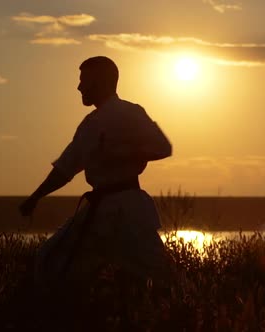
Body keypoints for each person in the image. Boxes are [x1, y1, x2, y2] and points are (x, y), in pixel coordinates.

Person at [18, 56, 173, 290]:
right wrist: (35, 197)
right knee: (50, 261)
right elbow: (65, 168)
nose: (79, 87)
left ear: (99, 82)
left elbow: (162, 147)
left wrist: (123, 153)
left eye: (84, 80)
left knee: (160, 277)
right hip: (99, 210)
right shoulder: (89, 124)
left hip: (129, 208)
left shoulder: (131, 113)